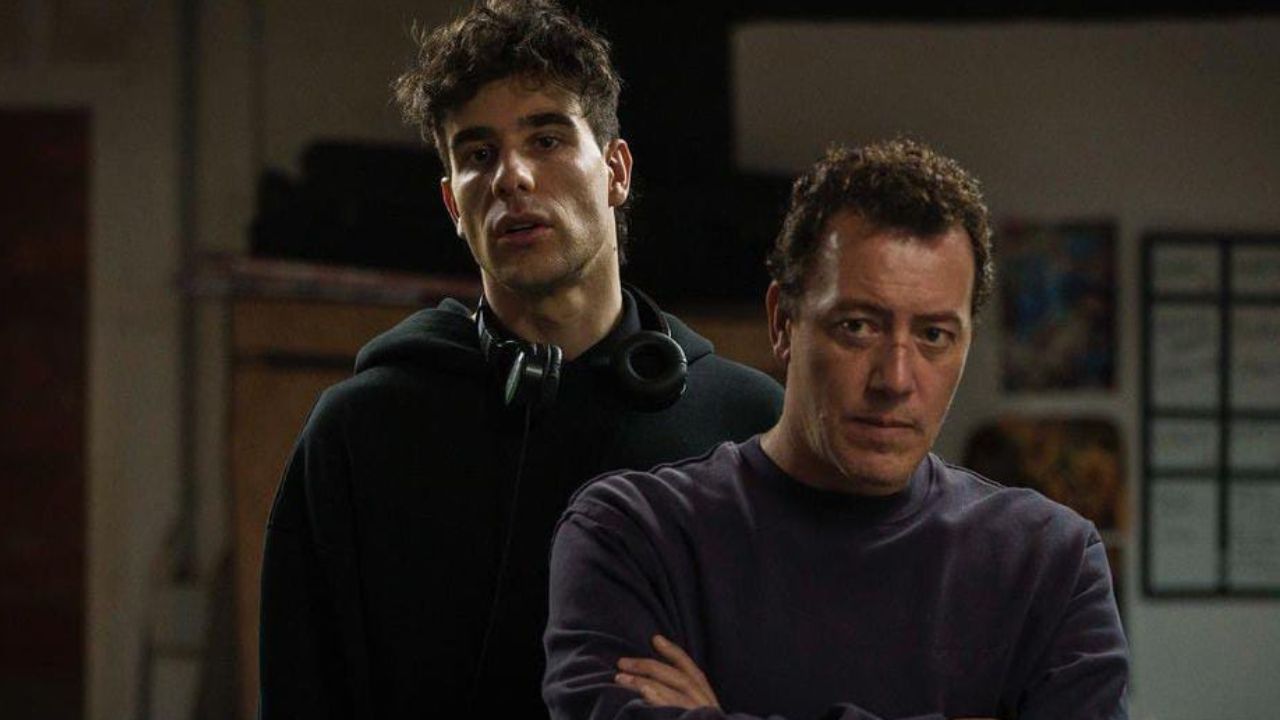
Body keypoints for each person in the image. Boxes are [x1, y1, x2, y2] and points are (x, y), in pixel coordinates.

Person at [256, 1, 783, 716]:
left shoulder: (748, 425)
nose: (512, 177)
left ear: (616, 171)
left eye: (546, 139)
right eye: (478, 154)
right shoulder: (360, 432)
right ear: (454, 204)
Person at [544, 139, 1130, 720]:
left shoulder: (1049, 563)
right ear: (783, 322)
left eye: (933, 336)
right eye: (857, 326)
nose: (895, 379)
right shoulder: (636, 536)